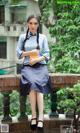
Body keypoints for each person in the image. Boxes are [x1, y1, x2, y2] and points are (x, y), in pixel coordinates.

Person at [16, 15, 51, 132]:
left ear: (38, 25)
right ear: (27, 24)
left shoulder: (42, 37)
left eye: (35, 23)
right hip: (27, 67)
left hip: (40, 66)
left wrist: (37, 59)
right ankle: (34, 115)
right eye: (31, 23)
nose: (33, 26)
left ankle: (40, 116)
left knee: (38, 85)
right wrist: (30, 53)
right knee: (31, 84)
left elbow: (47, 55)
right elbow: (18, 54)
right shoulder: (22, 37)